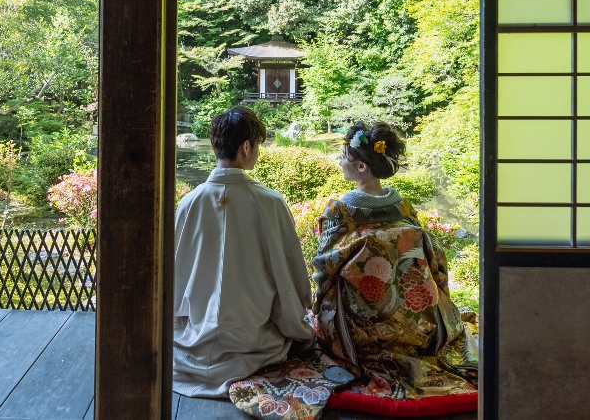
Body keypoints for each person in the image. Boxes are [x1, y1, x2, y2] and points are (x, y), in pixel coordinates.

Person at [229, 121, 477, 420]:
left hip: (355, 329)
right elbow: (433, 258)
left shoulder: (342, 211)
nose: (340, 162)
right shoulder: (402, 206)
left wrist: (316, 306)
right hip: (415, 321)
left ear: (361, 167)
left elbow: (325, 268)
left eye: (344, 157)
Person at [173, 107, 315, 398]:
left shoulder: (189, 202)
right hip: (255, 342)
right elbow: (291, 276)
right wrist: (302, 314)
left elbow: (173, 276)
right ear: (246, 147)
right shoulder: (271, 203)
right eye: (258, 146)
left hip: (194, 338)